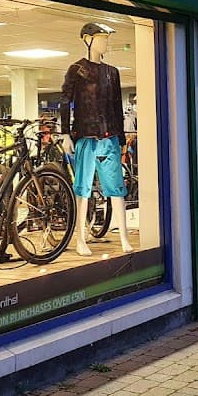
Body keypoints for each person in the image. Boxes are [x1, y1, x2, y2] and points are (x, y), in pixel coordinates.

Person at [60, 22, 133, 255]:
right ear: (87, 39)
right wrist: (65, 133)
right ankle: (80, 237)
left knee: (116, 188)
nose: (105, 43)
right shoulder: (77, 70)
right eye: (101, 38)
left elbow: (115, 106)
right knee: (83, 188)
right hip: (85, 136)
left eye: (106, 38)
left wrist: (120, 139)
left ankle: (123, 237)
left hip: (109, 136)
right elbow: (65, 101)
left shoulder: (112, 72)